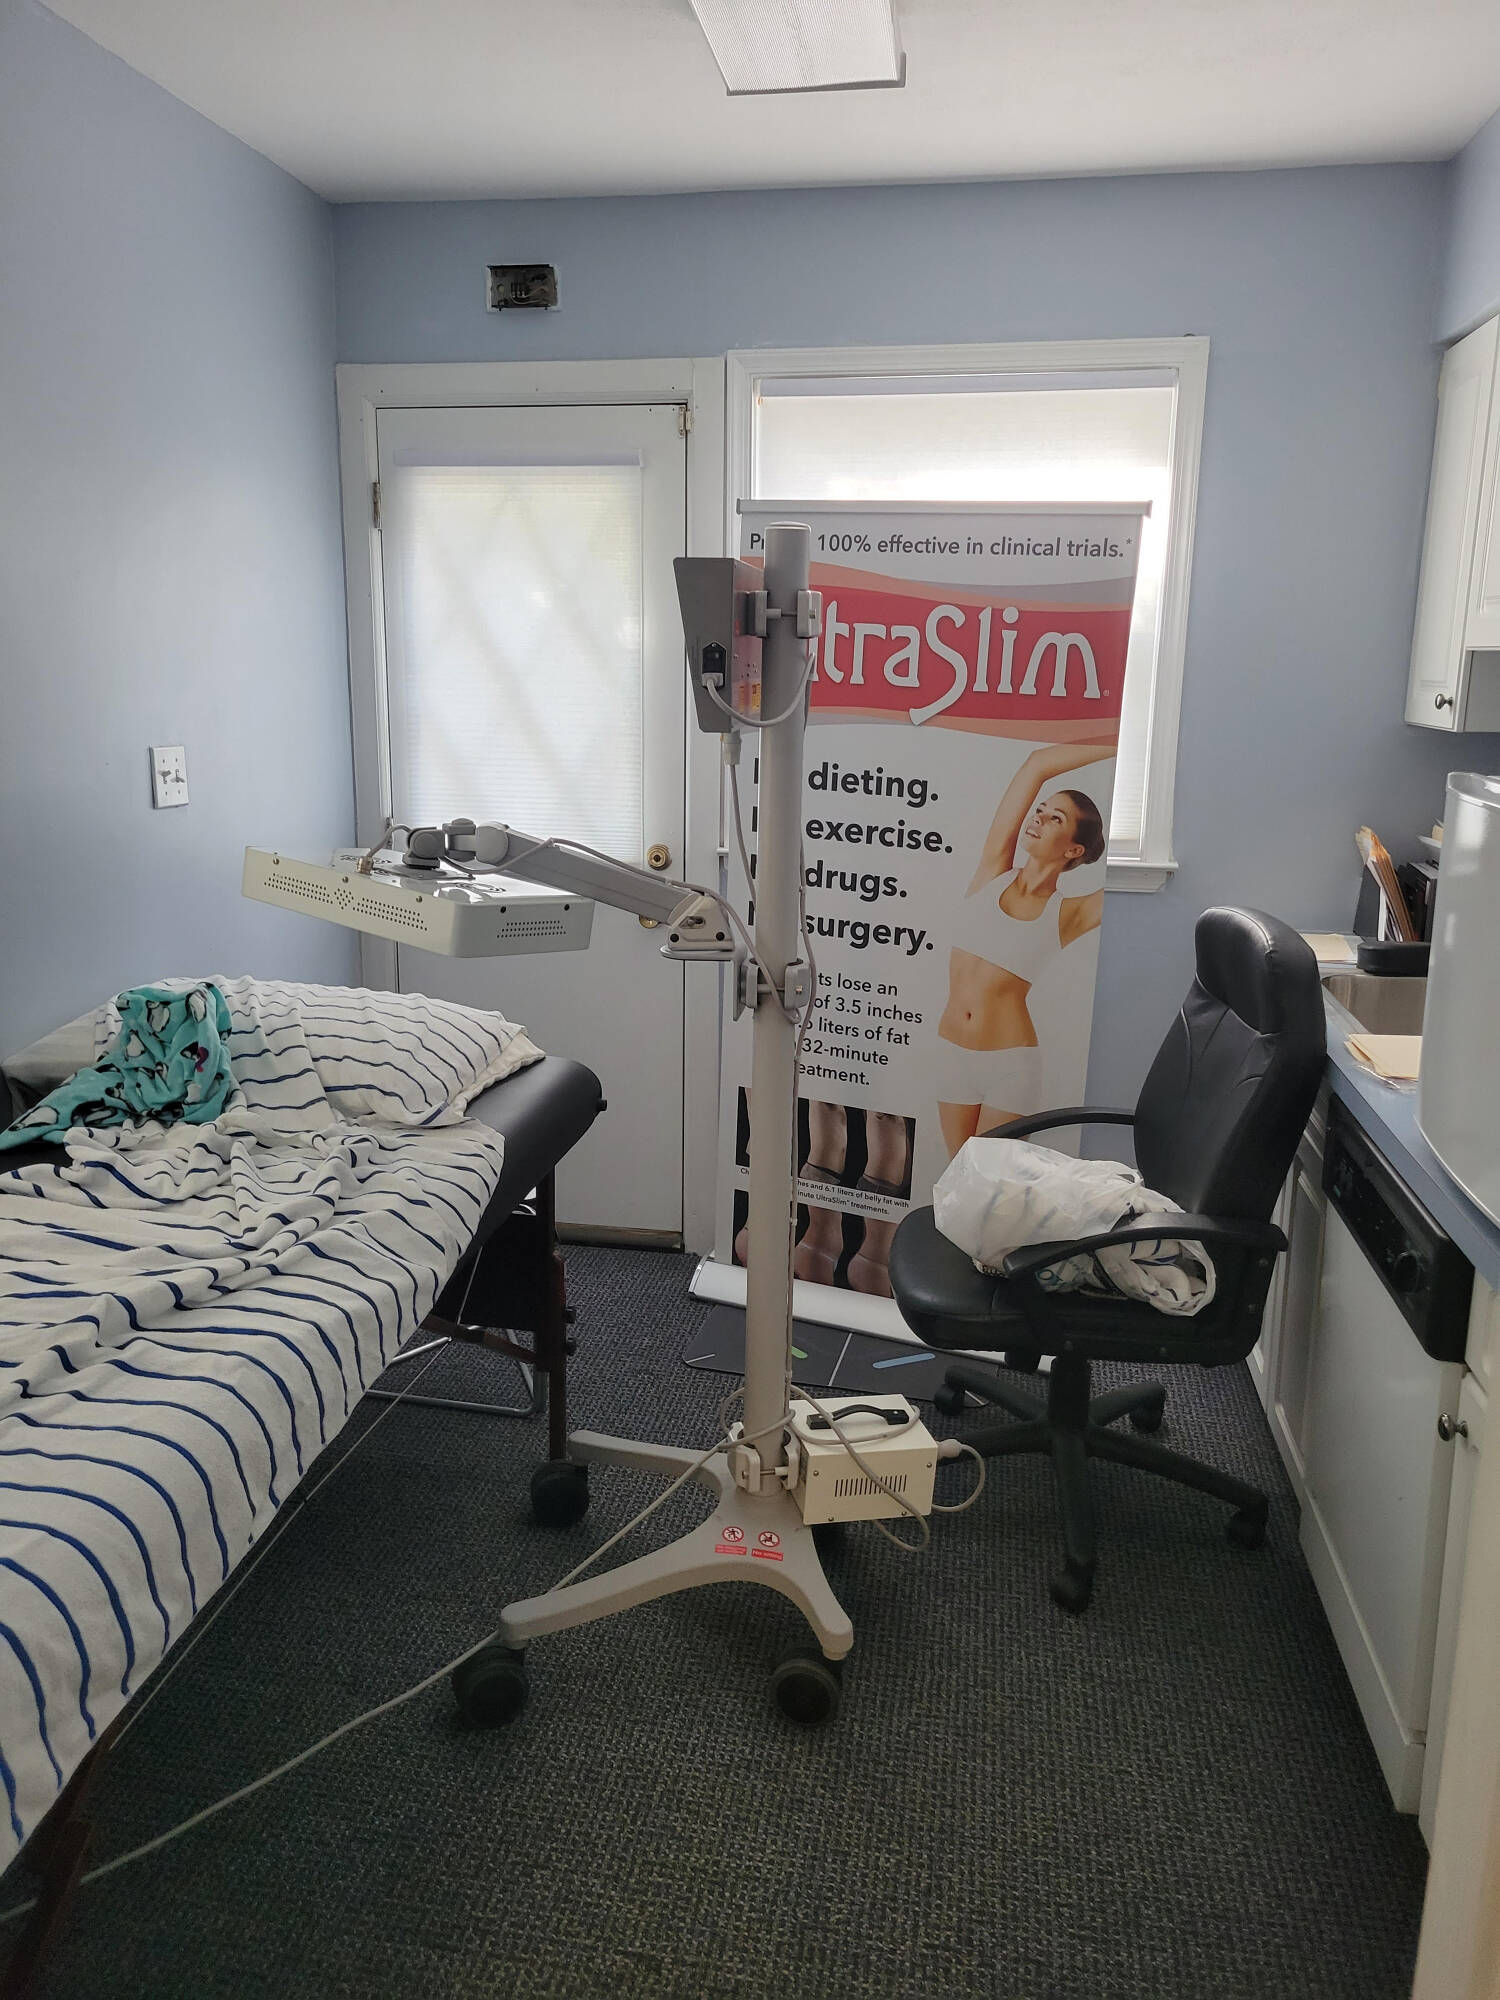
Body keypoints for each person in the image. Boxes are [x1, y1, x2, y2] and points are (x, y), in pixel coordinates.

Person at [935, 741, 1113, 1158]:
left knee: (994, 1185)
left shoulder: (1070, 913)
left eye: (1056, 818)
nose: (1038, 818)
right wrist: (1116, 742)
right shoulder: (992, 870)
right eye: (1041, 810)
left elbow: (1116, 890)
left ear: (1074, 850)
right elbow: (1038, 763)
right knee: (958, 1179)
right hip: (951, 1051)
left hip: (1009, 1066)